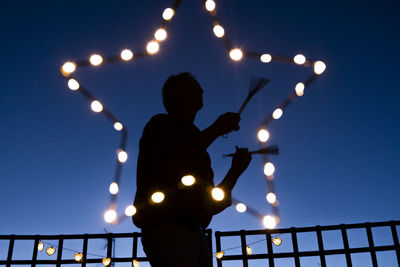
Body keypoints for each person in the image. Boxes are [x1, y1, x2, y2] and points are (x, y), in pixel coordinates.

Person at [133, 72, 252, 267]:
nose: (201, 90)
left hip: (197, 237)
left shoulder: (198, 142)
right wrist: (216, 129)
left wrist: (235, 171)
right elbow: (175, 159)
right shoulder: (159, 125)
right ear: (177, 95)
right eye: (193, 86)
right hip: (167, 232)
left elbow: (210, 204)